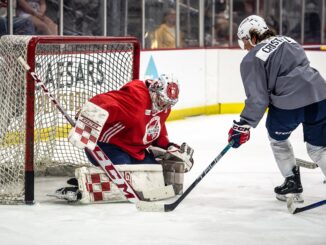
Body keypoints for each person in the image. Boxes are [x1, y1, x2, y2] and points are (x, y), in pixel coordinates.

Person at [227, 15, 326, 203]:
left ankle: (292, 183)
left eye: (244, 42)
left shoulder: (251, 58)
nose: (245, 47)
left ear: (251, 37)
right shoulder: (289, 40)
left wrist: (244, 124)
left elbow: (258, 98)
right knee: (318, 148)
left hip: (289, 104)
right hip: (320, 95)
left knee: (278, 139)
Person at [53, 74, 194, 203]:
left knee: (154, 172)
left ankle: (97, 179)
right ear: (154, 90)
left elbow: (156, 127)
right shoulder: (135, 98)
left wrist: (169, 146)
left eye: (169, 103)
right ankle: (83, 186)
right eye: (162, 100)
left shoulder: (164, 107)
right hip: (107, 145)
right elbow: (105, 101)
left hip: (135, 150)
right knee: (125, 172)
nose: (164, 106)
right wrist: (85, 121)